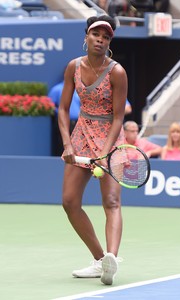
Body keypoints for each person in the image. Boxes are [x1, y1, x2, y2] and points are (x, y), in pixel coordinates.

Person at [58, 15, 128, 285]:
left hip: (111, 138)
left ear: (109, 42)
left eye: (106, 36)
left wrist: (106, 153)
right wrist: (67, 143)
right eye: (96, 34)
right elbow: (63, 109)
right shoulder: (72, 67)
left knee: (111, 202)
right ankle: (100, 259)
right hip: (81, 136)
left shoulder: (117, 72)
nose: (100, 39)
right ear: (86, 37)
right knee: (69, 202)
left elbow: (119, 117)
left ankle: (112, 258)